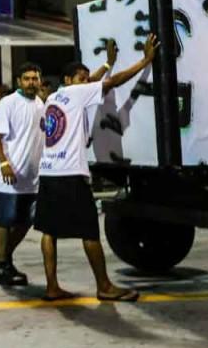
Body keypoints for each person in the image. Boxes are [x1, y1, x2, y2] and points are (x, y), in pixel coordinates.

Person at [35, 35, 159, 302]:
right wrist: (145, 61)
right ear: (68, 80)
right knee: (89, 229)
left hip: (49, 172)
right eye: (80, 77)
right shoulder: (77, 93)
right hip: (70, 174)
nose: (86, 81)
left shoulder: (53, 99)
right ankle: (104, 286)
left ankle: (52, 287)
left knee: (49, 231)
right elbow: (110, 83)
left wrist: (107, 62)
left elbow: (92, 82)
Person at [0, 64, 44, 286]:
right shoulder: (8, 102)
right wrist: (4, 163)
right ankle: (2, 266)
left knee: (27, 221)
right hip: (8, 176)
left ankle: (1, 258)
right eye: (27, 78)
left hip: (32, 178)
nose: (32, 82)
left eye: (35, 78)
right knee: (5, 221)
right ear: (19, 81)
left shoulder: (41, 104)